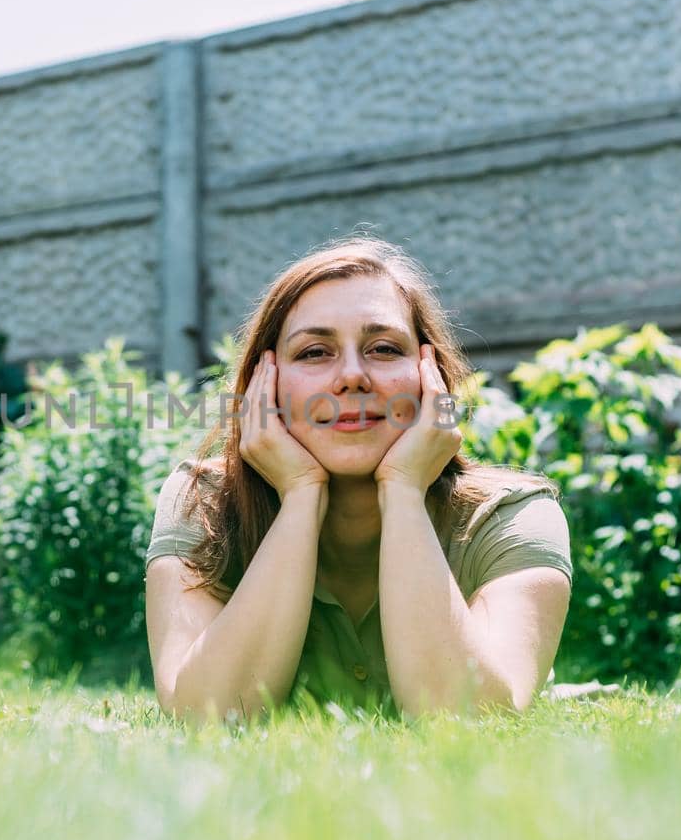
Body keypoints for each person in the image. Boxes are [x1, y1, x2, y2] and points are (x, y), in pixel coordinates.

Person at [144, 233, 576, 726]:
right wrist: (301, 494)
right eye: (314, 352)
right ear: (266, 384)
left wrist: (405, 489)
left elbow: (468, 721)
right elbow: (208, 718)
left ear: (429, 375)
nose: (352, 376)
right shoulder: (201, 501)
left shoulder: (513, 516)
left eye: (384, 348)